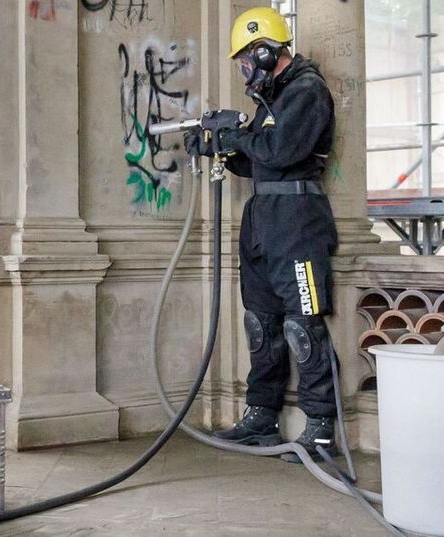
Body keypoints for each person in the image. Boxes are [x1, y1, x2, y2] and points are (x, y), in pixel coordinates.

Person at [184, 6, 338, 462]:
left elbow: (283, 149)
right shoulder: (270, 102)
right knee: (261, 322)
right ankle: (261, 416)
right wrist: (219, 148)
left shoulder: (307, 92)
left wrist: (235, 137)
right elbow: (258, 160)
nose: (245, 69)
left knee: (302, 324)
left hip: (298, 217)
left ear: (268, 52)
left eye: (247, 58)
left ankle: (321, 427)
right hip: (263, 216)